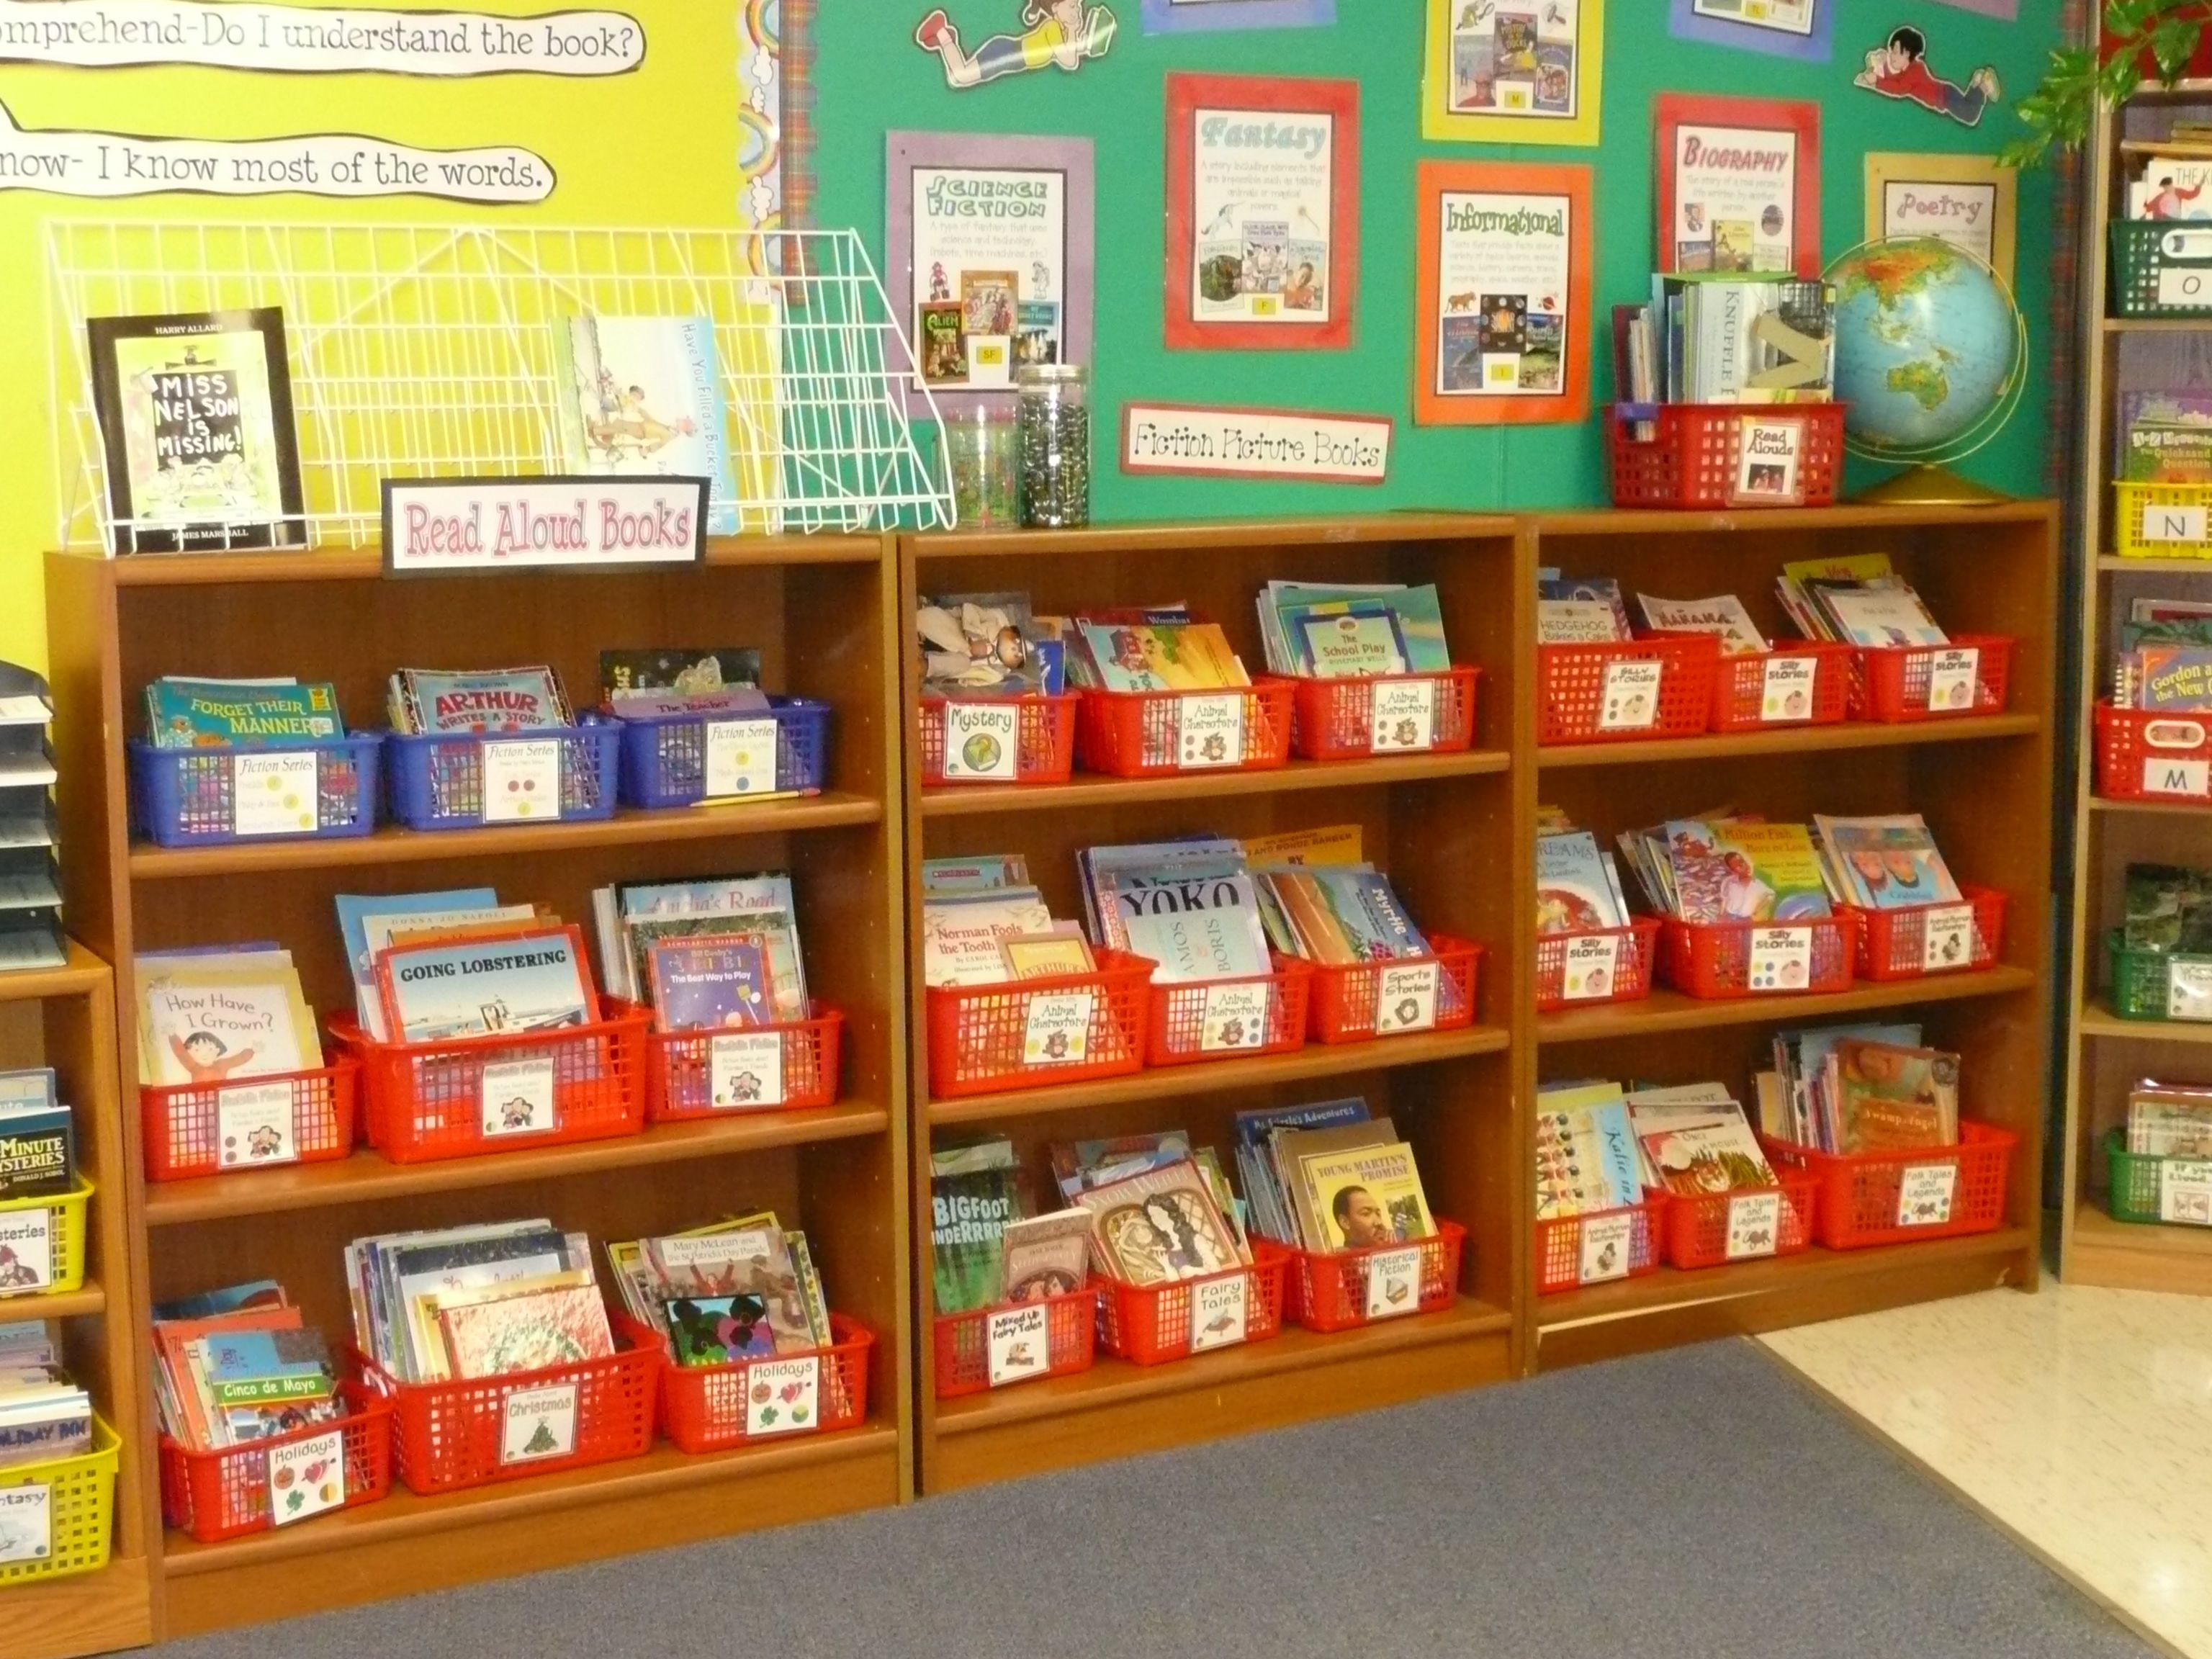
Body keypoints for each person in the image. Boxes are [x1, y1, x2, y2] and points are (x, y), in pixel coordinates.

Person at [914, 1, 1115, 91]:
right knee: (960, 76)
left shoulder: (1059, 32)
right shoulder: (1053, 28)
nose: (1078, 11)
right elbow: (1069, 61)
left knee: (961, 76)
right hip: (1005, 53)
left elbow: (1070, 51)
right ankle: (942, 32)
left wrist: (1087, 41)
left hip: (1009, 56)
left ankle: (944, 38)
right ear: (1056, 9)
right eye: (1073, 6)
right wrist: (1073, 30)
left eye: (1079, 6)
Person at [1855, 27, 2000, 127]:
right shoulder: (1910, 70)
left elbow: (1899, 89)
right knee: (1967, 105)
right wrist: (1878, 69)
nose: (1891, 55)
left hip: (1945, 98)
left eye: (1895, 52)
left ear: (1907, 54)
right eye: (1891, 50)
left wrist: (1878, 82)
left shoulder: (1914, 71)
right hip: (1945, 95)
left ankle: (1982, 86)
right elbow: (1896, 80)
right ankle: (1977, 81)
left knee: (1970, 116)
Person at [1331, 1184, 1396, 1249]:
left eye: (1378, 1214)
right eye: (1366, 1214)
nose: (1379, 1222)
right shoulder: (1340, 1258)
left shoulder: (1393, 1249)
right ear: (1345, 1222)